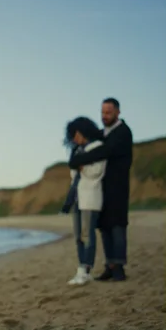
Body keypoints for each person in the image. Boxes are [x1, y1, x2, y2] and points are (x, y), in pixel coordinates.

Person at [69, 98, 133, 282]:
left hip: (118, 185)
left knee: (117, 225)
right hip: (101, 186)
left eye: (109, 113)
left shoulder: (123, 132)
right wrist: (76, 155)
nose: (105, 116)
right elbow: (83, 142)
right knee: (104, 226)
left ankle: (119, 266)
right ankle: (109, 266)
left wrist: (77, 161)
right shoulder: (101, 133)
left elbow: (104, 152)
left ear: (118, 112)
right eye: (102, 112)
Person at [61, 117, 107, 285]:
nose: (74, 138)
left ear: (84, 131)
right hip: (77, 198)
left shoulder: (98, 147)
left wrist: (82, 167)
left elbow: (97, 171)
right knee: (78, 236)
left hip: (90, 196)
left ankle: (86, 269)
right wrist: (79, 167)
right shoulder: (78, 151)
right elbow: (74, 173)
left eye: (76, 134)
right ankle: (81, 269)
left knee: (88, 235)